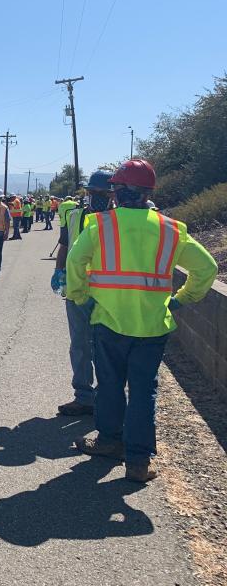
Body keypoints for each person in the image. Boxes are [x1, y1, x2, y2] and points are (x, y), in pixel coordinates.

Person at [66, 159, 217, 482]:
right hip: (152, 327)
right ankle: (138, 462)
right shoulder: (171, 229)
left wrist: (80, 296)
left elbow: (75, 262)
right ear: (148, 193)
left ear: (117, 193)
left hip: (108, 322)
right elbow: (207, 269)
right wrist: (182, 299)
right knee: (143, 391)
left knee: (109, 385)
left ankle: (109, 441)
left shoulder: (100, 225)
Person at [50, 170, 114, 417]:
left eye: (102, 193)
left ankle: (107, 396)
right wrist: (58, 271)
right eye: (93, 192)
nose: (96, 196)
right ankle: (84, 397)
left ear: (112, 194)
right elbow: (65, 244)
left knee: (106, 346)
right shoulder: (75, 216)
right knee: (80, 345)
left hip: (108, 292)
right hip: (78, 290)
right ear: (87, 193)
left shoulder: (118, 220)